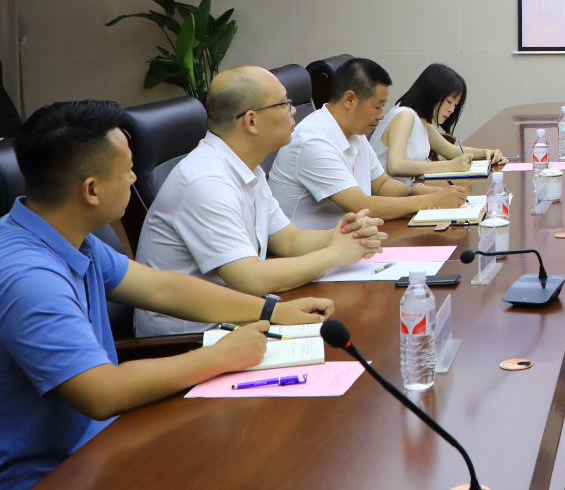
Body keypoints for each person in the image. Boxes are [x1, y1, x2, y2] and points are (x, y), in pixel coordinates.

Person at [0, 100, 335, 490]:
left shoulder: (59, 233)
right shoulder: (27, 277)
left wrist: (272, 310)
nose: (135, 178)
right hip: (15, 477)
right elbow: (102, 393)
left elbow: (162, 286)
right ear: (91, 190)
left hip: (82, 444)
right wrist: (220, 356)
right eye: (128, 170)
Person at [134, 66, 389, 337]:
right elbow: (250, 278)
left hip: (239, 317)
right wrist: (335, 254)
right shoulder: (206, 182)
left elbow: (289, 240)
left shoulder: (247, 167)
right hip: (193, 339)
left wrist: (345, 235)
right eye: (284, 104)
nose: (294, 111)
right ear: (252, 121)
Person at [267, 57, 468, 230]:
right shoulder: (313, 141)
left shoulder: (355, 132)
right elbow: (361, 205)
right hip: (313, 252)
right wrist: (431, 201)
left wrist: (414, 190)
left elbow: (381, 184)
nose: (381, 115)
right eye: (378, 106)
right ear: (349, 100)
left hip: (350, 238)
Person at [372, 63, 504, 185]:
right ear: (432, 93)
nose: (452, 110)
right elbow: (395, 166)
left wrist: (487, 153)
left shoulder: (421, 121)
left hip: (406, 190)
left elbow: (451, 151)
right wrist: (449, 166)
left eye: (455, 105)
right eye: (449, 102)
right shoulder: (405, 116)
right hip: (387, 196)